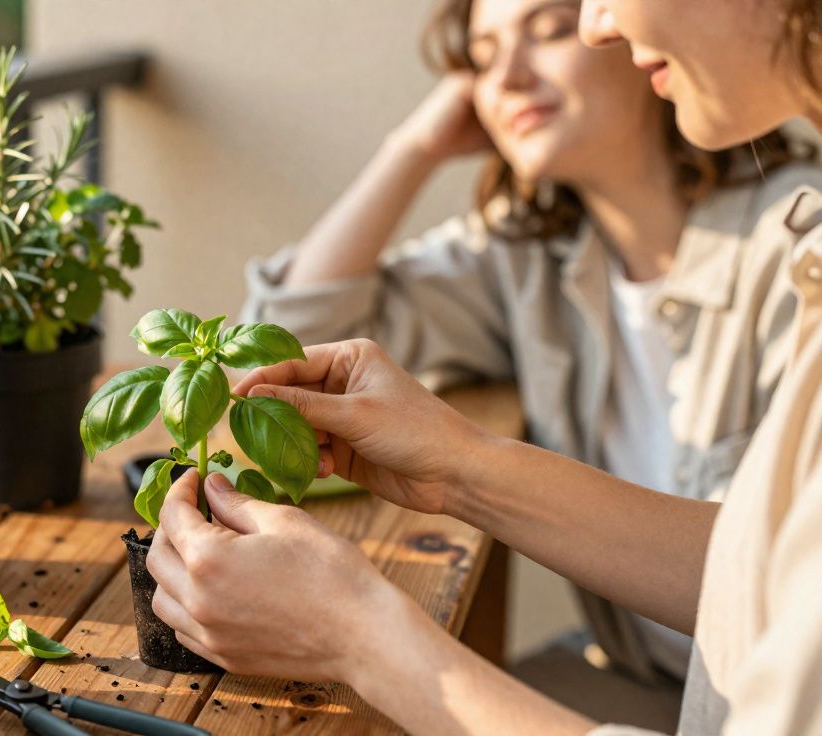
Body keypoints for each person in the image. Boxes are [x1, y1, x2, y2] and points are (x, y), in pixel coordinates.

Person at [150, 0, 822, 733]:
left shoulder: (798, 247)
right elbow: (280, 350)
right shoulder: (532, 256)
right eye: (482, 55)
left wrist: (359, 632)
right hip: (649, 677)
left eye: (550, 30)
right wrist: (412, 145)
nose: (507, 77)